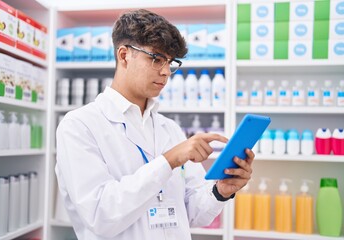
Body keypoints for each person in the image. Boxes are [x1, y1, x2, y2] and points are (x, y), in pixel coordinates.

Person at [55, 9, 254, 240]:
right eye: (156, 59)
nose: (166, 71)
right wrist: (168, 161)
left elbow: (191, 214)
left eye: (170, 62)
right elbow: (100, 215)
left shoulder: (169, 128)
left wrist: (220, 191)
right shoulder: (79, 126)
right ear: (124, 55)